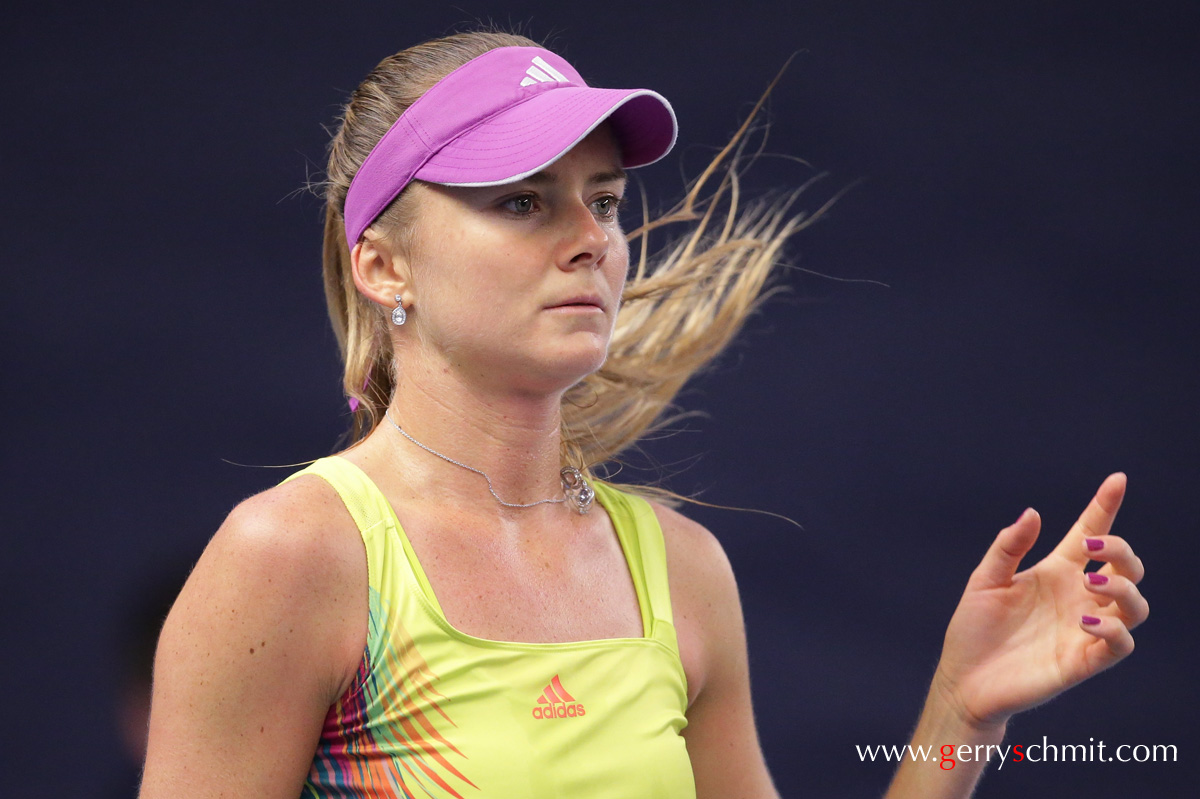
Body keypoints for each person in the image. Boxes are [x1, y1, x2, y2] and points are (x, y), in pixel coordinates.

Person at [138, 30, 1149, 799]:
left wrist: (959, 712)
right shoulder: (290, 558)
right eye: (525, 200)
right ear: (382, 263)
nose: (592, 239)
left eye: (607, 200)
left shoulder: (682, 570)